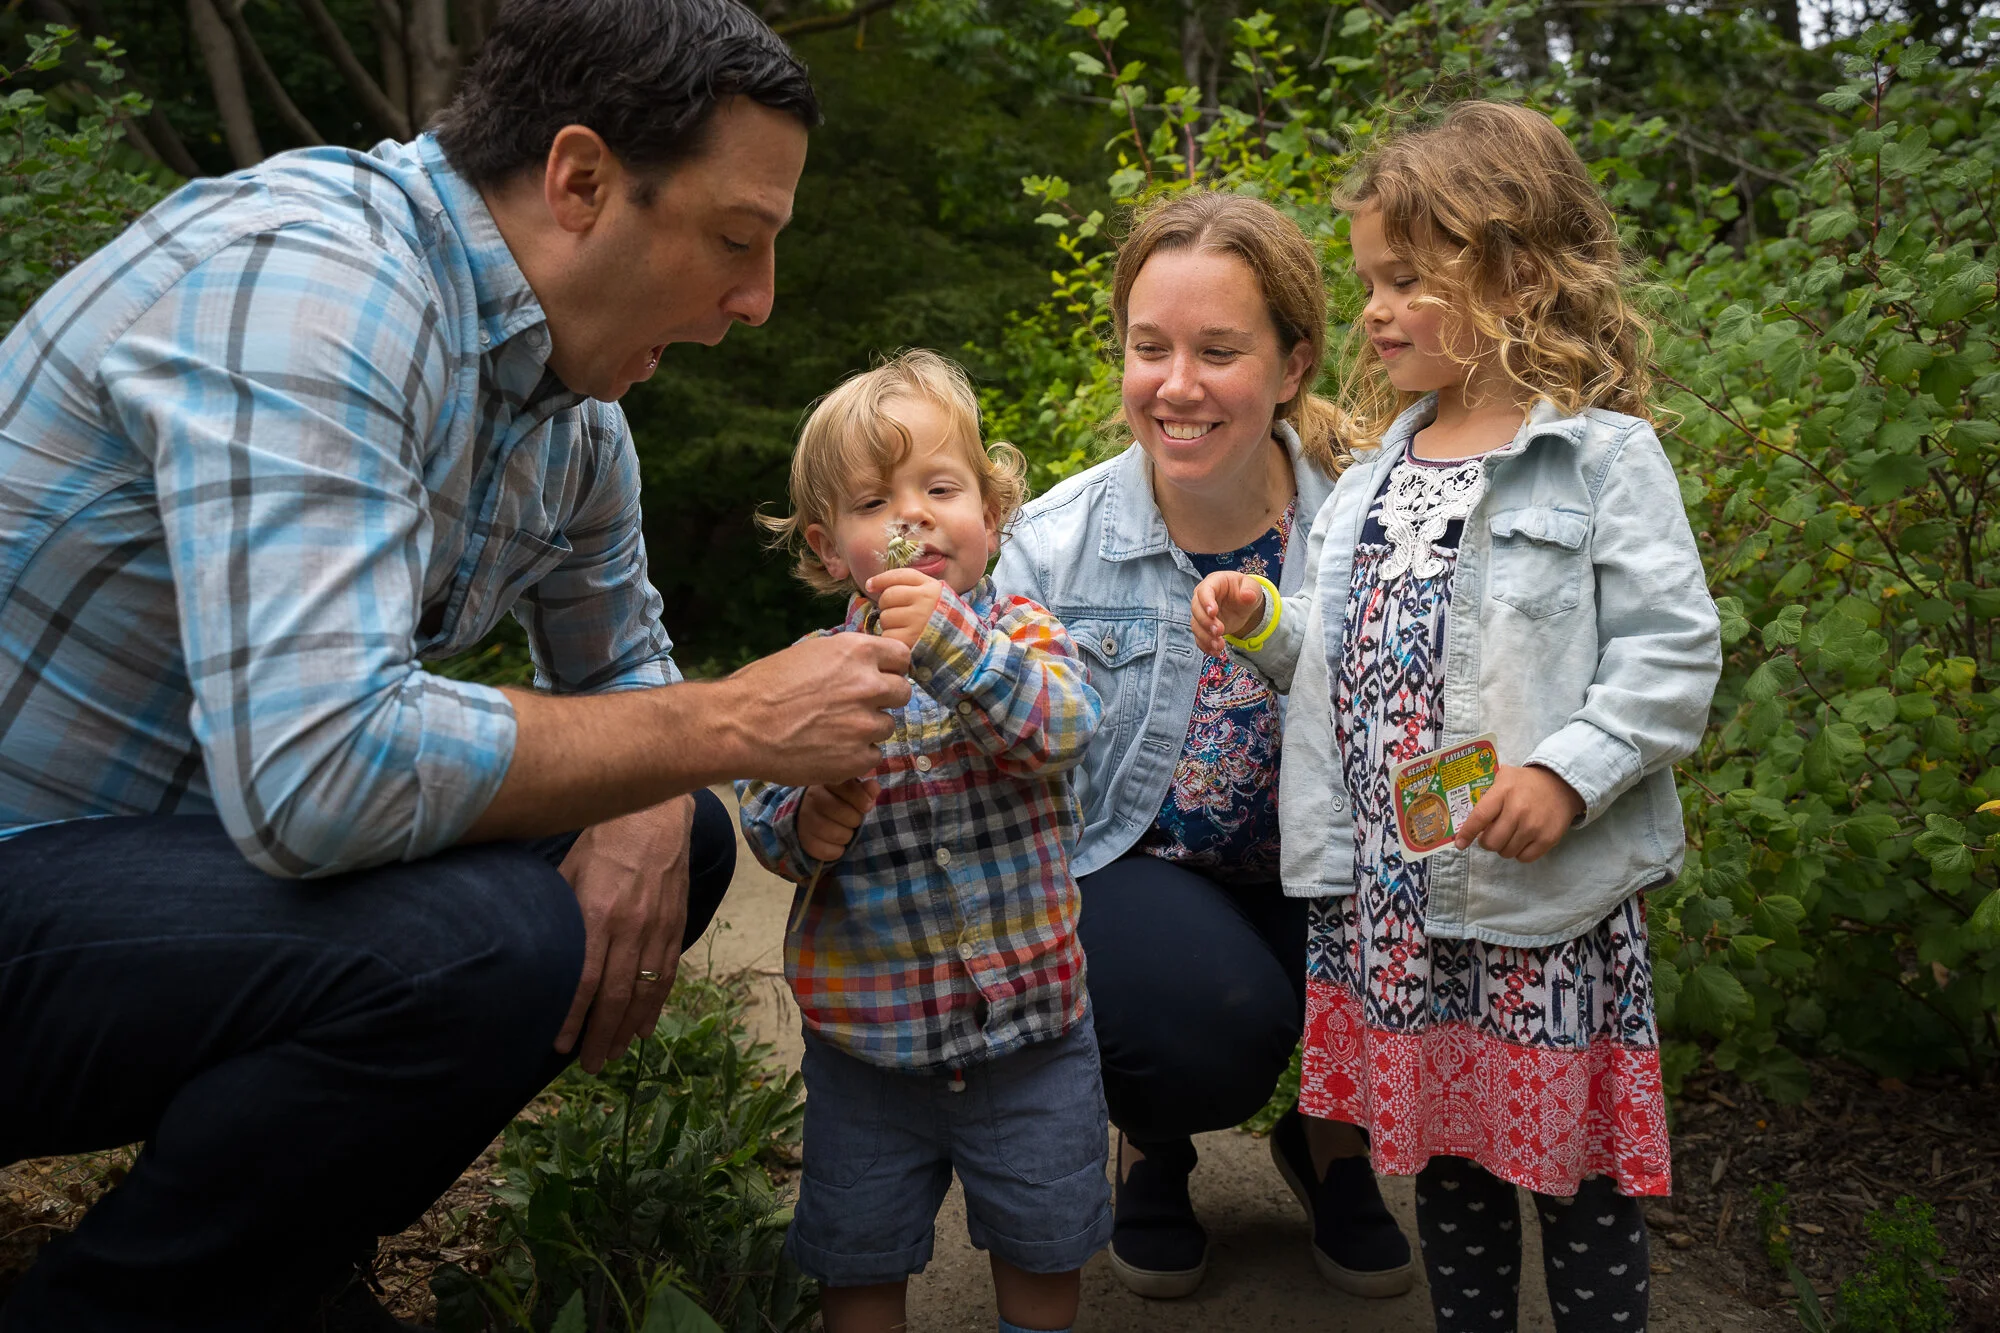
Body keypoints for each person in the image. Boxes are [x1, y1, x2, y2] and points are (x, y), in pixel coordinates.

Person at [0, 3, 915, 1330]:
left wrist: (663, 776)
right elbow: (321, 773)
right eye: (735, 239)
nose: (757, 302)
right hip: (30, 864)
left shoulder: (568, 420)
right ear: (580, 180)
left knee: (675, 839)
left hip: (138, 885)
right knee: (483, 943)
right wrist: (722, 723)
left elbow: (627, 671)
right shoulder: (317, 289)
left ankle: (261, 1261)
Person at [1191, 100, 1723, 1332]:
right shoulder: (1374, 474)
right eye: (1368, 283)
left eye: (1405, 280)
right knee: (1443, 1159)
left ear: (1516, 274)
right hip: (1396, 896)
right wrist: (1266, 622)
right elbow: (1340, 653)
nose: (1373, 311)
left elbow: (1670, 651)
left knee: (1572, 1172)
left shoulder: (1598, 459)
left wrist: (1566, 771)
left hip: (1537, 904)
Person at [992, 189, 1414, 1301]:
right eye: (1150, 348)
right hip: (1136, 870)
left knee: (1441, 913)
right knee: (1202, 1029)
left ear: (1291, 364)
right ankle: (1153, 1137)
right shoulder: (1051, 546)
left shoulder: (1376, 519)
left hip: (1329, 870)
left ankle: (1330, 1139)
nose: (1175, 386)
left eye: (1218, 351)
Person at [738, 350, 1109, 1333]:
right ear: (829, 549)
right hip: (868, 1049)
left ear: (991, 512)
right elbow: (764, 806)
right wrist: (803, 821)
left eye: (940, 489)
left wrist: (951, 642)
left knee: (1044, 1245)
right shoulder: (814, 670)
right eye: (874, 502)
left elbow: (1063, 729)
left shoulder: (1024, 633)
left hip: (1030, 1037)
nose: (912, 517)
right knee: (857, 1257)